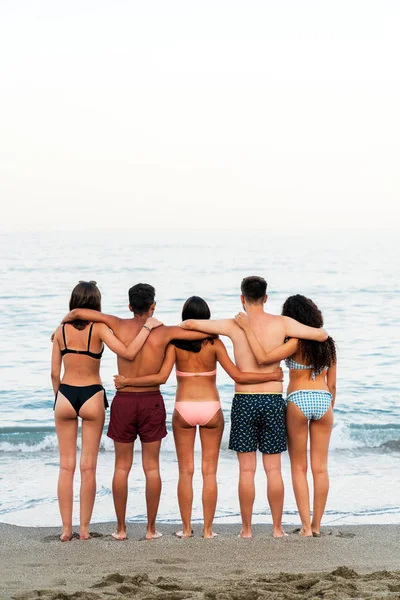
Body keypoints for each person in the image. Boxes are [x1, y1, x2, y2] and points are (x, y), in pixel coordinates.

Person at [114, 296, 284, 539]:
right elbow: (239, 376)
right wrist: (270, 377)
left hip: (184, 407)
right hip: (211, 408)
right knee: (209, 472)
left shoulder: (174, 345)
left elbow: (160, 376)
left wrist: (128, 381)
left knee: (186, 471)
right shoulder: (214, 344)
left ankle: (185, 529)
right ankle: (207, 530)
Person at [61, 283, 214, 541]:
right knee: (151, 468)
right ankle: (151, 530)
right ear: (153, 306)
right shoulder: (164, 332)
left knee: (122, 467)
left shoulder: (116, 324)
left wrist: (62, 325)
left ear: (130, 306)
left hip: (124, 401)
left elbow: (79, 313)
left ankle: (121, 530)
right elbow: (197, 331)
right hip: (151, 400)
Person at [181, 276, 328, 538]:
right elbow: (321, 334)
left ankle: (247, 530)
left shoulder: (233, 325)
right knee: (273, 469)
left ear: (242, 298)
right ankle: (277, 529)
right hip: (272, 401)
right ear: (266, 298)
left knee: (246, 470)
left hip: (245, 400)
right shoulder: (283, 324)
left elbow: (190, 324)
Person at [51, 281, 162, 542]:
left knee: (66, 467)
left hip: (65, 394)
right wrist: (148, 326)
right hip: (92, 395)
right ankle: (85, 530)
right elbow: (129, 352)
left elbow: (54, 372)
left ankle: (67, 530)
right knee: (88, 467)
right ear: (96, 304)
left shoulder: (59, 331)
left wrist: (58, 397)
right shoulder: (99, 329)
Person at [235, 294, 337, 537]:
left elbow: (263, 357)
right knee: (320, 468)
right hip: (324, 401)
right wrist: (328, 405)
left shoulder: (295, 342)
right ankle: (317, 525)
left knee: (298, 468)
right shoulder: (328, 344)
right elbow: (332, 385)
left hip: (298, 400)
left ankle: (305, 527)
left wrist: (248, 329)